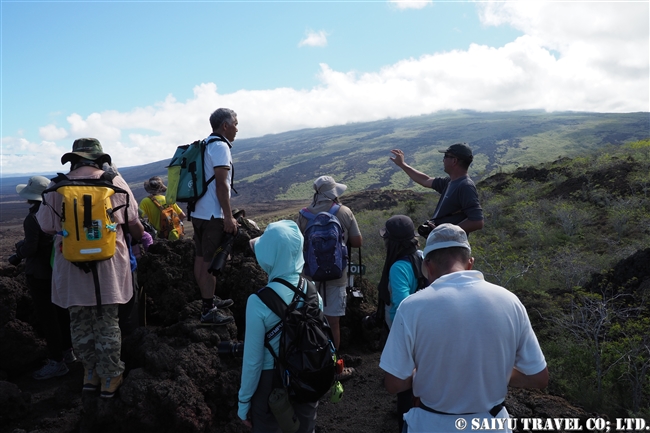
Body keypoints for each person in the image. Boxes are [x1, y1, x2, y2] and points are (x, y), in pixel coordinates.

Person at [380, 224, 548, 432]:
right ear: (470, 264)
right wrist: (494, 371)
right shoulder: (510, 301)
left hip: (430, 425)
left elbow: (394, 383)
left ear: (429, 266)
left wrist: (423, 373)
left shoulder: (412, 307)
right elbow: (538, 377)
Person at [37, 138, 145, 398]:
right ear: (99, 158)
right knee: (107, 321)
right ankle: (111, 377)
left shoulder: (57, 185)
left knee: (80, 322)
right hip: (108, 266)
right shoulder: (114, 182)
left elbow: (45, 225)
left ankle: (90, 375)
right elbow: (132, 220)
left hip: (72, 264)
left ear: (73, 158)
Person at [238, 220, 319, 433]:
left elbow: (253, 361)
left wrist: (244, 401)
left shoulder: (258, 302)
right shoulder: (312, 292)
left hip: (270, 382)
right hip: (307, 375)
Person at [12, 175, 76, 380]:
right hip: (58, 271)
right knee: (62, 314)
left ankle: (57, 362)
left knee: (48, 319)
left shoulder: (32, 218)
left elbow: (31, 248)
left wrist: (19, 250)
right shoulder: (56, 212)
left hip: (39, 275)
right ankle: (68, 353)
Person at [296, 175, 362, 352]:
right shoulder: (344, 212)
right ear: (332, 193)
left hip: (310, 275)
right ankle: (333, 363)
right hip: (337, 274)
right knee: (333, 322)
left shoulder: (303, 215)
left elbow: (299, 246)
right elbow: (357, 242)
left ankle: (312, 359)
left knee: (310, 318)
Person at [377, 215, 425, 432]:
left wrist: (399, 338)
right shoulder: (423, 258)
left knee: (404, 386)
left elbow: (401, 306)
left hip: (405, 331)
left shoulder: (398, 267)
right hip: (426, 328)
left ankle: (405, 424)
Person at [191, 108, 238, 324]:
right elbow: (221, 185)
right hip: (212, 215)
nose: (237, 129)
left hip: (198, 213)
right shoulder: (220, 147)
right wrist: (228, 217)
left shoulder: (204, 144)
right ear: (225, 126)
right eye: (235, 124)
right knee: (211, 263)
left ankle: (208, 300)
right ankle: (208, 310)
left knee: (201, 259)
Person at [390, 143, 484, 235]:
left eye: (446, 156)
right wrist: (402, 164)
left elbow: (477, 222)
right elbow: (425, 180)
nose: (443, 160)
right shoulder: (450, 182)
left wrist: (445, 233)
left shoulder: (465, 186)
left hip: (452, 248)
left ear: (454, 161)